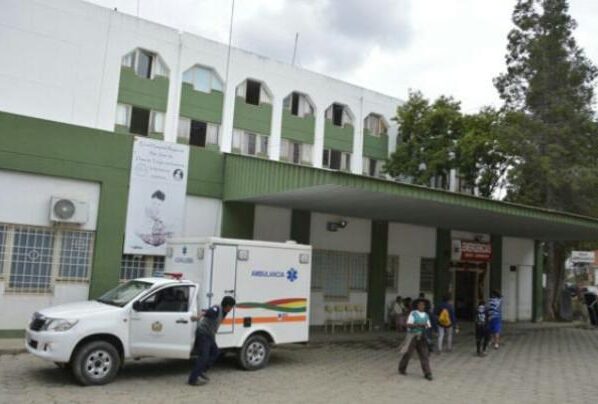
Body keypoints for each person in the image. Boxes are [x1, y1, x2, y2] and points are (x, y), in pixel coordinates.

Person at [188, 296, 236, 386]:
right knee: (203, 356)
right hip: (203, 334)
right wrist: (198, 317)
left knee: (215, 352)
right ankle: (193, 379)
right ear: (228, 306)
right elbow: (206, 312)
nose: (232, 309)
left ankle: (202, 371)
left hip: (210, 335)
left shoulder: (224, 311)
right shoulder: (216, 309)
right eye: (231, 306)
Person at [398, 300, 433, 381]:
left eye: (423, 305)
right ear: (417, 306)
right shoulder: (413, 313)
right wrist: (418, 325)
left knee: (424, 355)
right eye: (420, 305)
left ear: (425, 306)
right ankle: (402, 368)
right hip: (413, 336)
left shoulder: (426, 315)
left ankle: (427, 373)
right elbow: (408, 324)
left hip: (422, 336)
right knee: (408, 353)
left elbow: (428, 325)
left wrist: (425, 326)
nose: (421, 306)